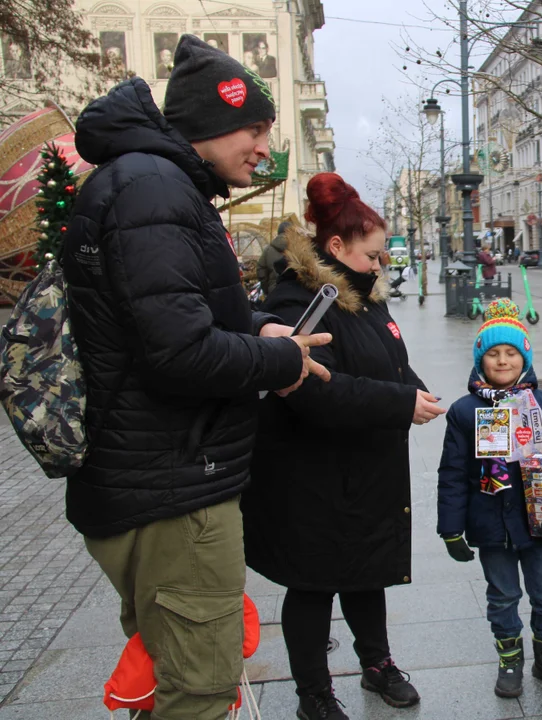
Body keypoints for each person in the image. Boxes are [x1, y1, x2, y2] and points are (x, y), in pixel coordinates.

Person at [62, 35, 331, 719]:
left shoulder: (150, 182)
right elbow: (178, 355)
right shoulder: (152, 187)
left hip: (156, 478)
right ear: (210, 125)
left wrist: (254, 326)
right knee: (200, 692)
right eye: (255, 129)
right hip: (170, 492)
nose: (265, 150)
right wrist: (280, 359)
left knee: (171, 679)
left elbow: (163, 315)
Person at [243, 173, 441, 718]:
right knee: (314, 584)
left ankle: (376, 664)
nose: (380, 265)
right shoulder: (297, 302)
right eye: (373, 255)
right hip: (313, 476)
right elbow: (316, 392)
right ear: (336, 247)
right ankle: (314, 693)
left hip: (366, 467)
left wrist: (416, 387)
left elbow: (387, 359)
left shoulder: (361, 294)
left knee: (365, 571)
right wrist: (401, 404)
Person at [438, 299, 542, 699]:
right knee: (502, 596)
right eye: (493, 353)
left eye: (511, 353)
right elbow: (451, 474)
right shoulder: (464, 412)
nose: (502, 361)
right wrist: (451, 529)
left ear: (524, 357)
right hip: (491, 526)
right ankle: (510, 660)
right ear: (479, 359)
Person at [256, 220, 291, 296]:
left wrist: (267, 289)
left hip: (274, 291)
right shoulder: (300, 250)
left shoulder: (268, 250)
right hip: (295, 292)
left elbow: (261, 271)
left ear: (278, 233)